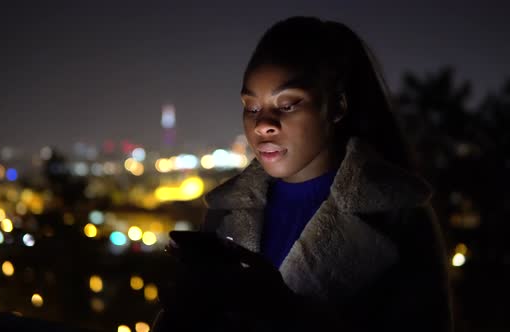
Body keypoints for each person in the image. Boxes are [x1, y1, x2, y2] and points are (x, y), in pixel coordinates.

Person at [152, 16, 453, 332]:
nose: (263, 124)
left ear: (336, 106)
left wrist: (290, 314)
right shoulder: (226, 211)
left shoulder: (398, 216)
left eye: (287, 104)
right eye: (251, 107)